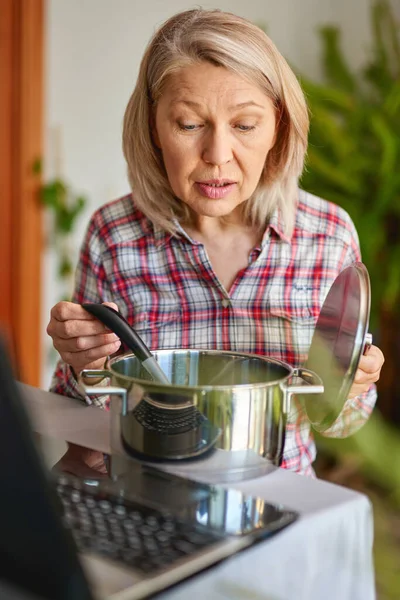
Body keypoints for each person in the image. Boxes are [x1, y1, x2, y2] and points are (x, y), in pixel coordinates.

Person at [47, 8, 384, 477]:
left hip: (281, 509)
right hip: (152, 510)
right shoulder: (114, 235)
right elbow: (80, 415)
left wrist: (352, 388)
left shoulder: (328, 236)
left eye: (245, 126)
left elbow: (342, 423)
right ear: (153, 128)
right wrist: (81, 362)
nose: (218, 156)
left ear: (279, 128)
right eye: (189, 125)